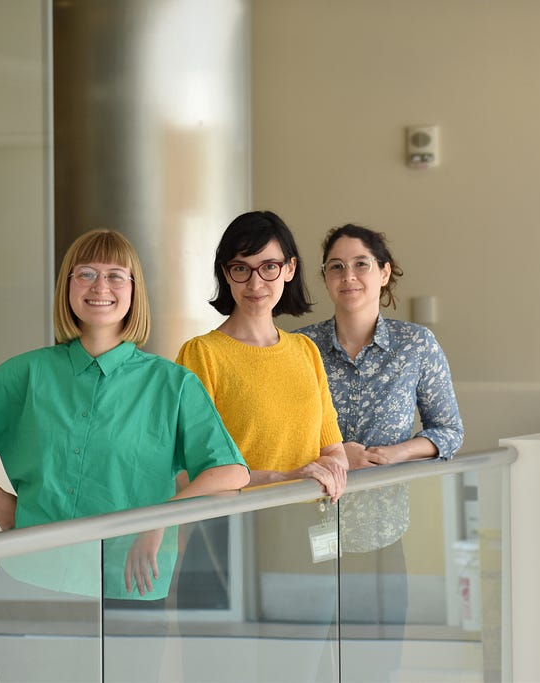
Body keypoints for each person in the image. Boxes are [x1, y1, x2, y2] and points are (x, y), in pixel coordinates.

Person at [0, 228, 249, 682]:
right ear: (68, 286)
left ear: (134, 291)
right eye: (87, 274)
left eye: (117, 276)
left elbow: (230, 471)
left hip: (129, 586)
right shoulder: (27, 373)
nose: (101, 287)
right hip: (32, 582)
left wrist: (158, 521)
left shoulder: (171, 384)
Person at [174, 210, 348, 680]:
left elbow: (329, 444)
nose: (256, 281)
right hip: (224, 547)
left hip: (302, 548)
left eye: (269, 266)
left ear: (289, 269)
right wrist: (288, 478)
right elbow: (192, 471)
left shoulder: (305, 351)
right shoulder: (201, 354)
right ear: (225, 274)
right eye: (241, 268)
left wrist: (330, 467)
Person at [296, 223, 464, 682]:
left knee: (375, 668)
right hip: (305, 536)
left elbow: (448, 432)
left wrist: (396, 454)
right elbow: (283, 436)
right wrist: (335, 455)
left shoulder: (416, 346)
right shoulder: (299, 348)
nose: (348, 276)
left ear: (385, 273)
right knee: (305, 668)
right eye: (336, 267)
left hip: (382, 536)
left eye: (361, 264)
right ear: (325, 279)